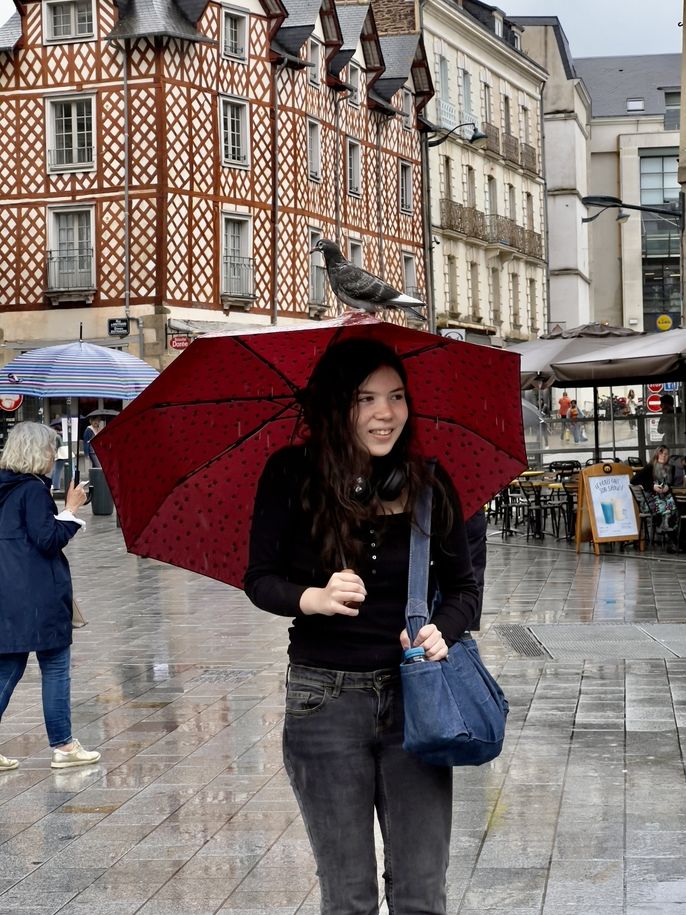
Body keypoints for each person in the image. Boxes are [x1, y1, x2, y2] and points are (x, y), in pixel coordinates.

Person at [245, 338, 478, 915]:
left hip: (416, 699)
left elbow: (466, 591)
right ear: (335, 406)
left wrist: (440, 629)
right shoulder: (290, 475)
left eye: (397, 397)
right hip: (324, 702)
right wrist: (313, 597)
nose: (386, 413)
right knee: (347, 895)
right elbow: (260, 578)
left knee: (422, 890)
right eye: (366, 398)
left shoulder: (429, 482)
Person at [0, 422, 101, 770]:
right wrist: (71, 510)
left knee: (7, 671)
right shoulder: (32, 490)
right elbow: (47, 539)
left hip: (8, 594)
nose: (52, 457)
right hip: (38, 595)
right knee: (56, 668)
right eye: (49, 449)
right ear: (36, 452)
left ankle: (65, 745)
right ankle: (64, 747)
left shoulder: (6, 488)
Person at [631, 445, 679, 552]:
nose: (663, 456)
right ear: (656, 455)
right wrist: (652, 486)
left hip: (664, 500)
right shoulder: (650, 467)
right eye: (661, 453)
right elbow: (634, 480)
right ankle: (672, 541)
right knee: (669, 509)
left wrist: (667, 486)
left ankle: (672, 540)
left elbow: (670, 483)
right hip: (650, 502)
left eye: (666, 454)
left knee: (674, 508)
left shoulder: (671, 468)